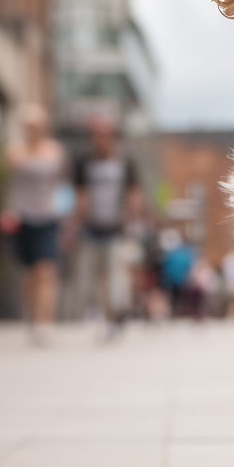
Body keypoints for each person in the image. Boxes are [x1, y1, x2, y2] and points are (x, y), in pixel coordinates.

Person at [0, 104, 68, 345]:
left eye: (36, 125)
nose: (32, 129)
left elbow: (62, 185)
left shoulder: (54, 151)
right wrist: (7, 212)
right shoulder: (15, 152)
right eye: (28, 126)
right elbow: (10, 187)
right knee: (29, 273)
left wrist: (65, 216)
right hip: (21, 217)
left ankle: (44, 322)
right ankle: (32, 316)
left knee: (46, 270)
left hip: (48, 217)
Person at [69, 115, 142, 339]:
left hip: (117, 227)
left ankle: (115, 316)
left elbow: (134, 194)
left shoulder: (125, 161)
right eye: (96, 135)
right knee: (97, 276)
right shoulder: (84, 161)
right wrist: (73, 224)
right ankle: (108, 316)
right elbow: (81, 195)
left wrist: (132, 220)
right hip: (92, 226)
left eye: (104, 134)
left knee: (114, 275)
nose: (100, 139)